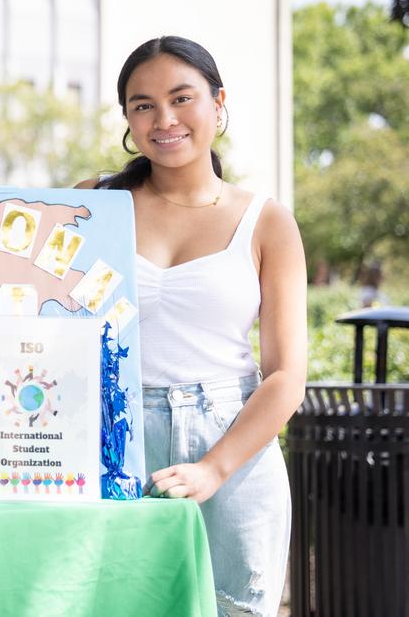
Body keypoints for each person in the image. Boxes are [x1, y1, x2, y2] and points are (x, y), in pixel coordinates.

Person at [80, 36, 306, 616]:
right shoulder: (91, 205)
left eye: (182, 98)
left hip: (233, 443)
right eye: (143, 104)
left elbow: (286, 376)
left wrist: (214, 467)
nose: (165, 119)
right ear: (127, 117)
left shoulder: (268, 222)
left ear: (218, 102)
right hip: (110, 441)